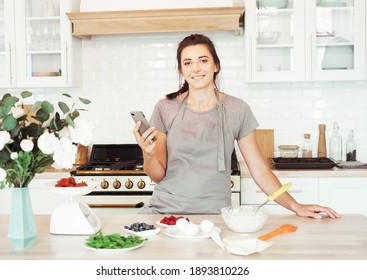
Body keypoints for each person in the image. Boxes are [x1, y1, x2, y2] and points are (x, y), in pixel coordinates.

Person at [133, 33, 340, 219]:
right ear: (181, 70)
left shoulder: (237, 109)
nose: (195, 68)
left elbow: (259, 170)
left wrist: (295, 206)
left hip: (214, 216)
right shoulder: (166, 107)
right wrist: (148, 154)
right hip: (165, 213)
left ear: (216, 66)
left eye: (203, 60)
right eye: (188, 63)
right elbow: (157, 176)